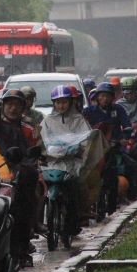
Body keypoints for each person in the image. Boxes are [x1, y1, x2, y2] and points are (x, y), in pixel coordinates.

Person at [40, 85, 106, 224]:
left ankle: (80, 212)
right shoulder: (47, 120)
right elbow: (42, 138)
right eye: (58, 102)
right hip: (53, 161)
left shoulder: (79, 119)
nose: (61, 105)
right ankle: (39, 220)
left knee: (78, 185)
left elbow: (86, 138)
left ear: (70, 102)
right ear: (54, 103)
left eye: (64, 102)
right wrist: (47, 149)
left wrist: (77, 147)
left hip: (73, 160)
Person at [0, 89, 40, 267]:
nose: (12, 108)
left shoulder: (27, 129)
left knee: (24, 206)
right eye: (9, 104)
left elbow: (32, 155)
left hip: (19, 178)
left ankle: (23, 245)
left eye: (16, 105)